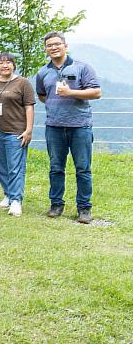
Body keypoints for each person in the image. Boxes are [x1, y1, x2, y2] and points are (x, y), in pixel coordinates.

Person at [35, 32, 101, 224]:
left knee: (83, 169)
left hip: (80, 126)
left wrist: (71, 92)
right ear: (46, 49)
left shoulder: (82, 67)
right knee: (56, 168)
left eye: (57, 44)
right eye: (49, 45)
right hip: (54, 126)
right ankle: (56, 204)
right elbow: (42, 95)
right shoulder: (42, 72)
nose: (53, 48)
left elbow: (96, 92)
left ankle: (84, 208)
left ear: (65, 46)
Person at [0, 53, 35, 217]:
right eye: (0, 63)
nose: (4, 65)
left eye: (8, 62)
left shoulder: (23, 83)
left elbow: (29, 107)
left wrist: (28, 130)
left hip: (15, 132)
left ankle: (16, 201)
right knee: (1, 166)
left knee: (15, 168)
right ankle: (7, 194)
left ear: (13, 65)